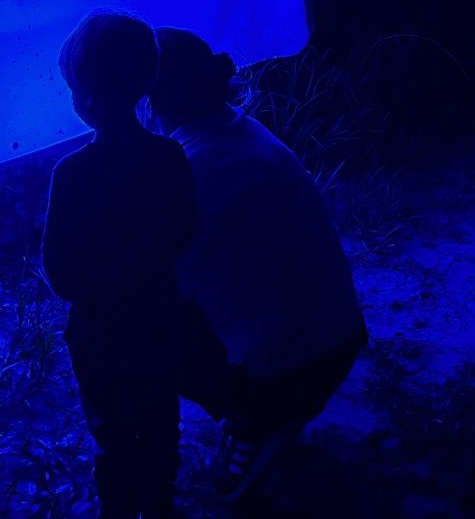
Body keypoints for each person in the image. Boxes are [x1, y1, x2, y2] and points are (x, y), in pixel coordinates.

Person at [140, 27, 367, 502]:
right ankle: (277, 405)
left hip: (291, 372)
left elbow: (158, 281)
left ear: (151, 102)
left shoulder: (185, 173)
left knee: (136, 322)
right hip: (343, 341)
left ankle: (253, 421)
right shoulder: (244, 131)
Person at [43, 10, 200, 519]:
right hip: (159, 319)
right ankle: (159, 504)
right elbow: (186, 232)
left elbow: (60, 273)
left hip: (100, 334)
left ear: (85, 98)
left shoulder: (71, 174)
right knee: (160, 422)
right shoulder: (171, 157)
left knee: (112, 433)